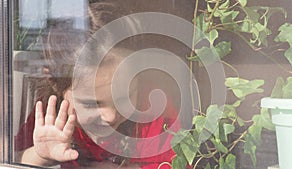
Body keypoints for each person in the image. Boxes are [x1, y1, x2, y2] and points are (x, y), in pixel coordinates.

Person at [15, 1, 186, 168]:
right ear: (56, 84)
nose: (110, 115)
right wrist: (40, 156)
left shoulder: (154, 110)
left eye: (125, 97)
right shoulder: (49, 118)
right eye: (91, 104)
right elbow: (12, 159)